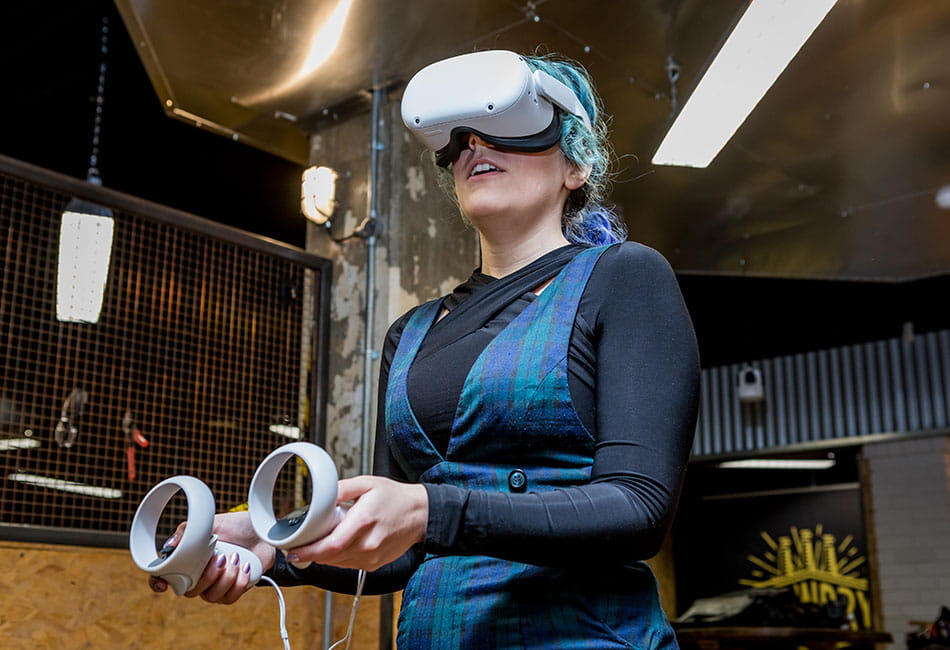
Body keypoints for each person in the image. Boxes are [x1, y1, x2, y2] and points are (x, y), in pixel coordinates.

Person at [151, 51, 700, 649]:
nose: (475, 144)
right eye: (460, 138)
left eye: (507, 127)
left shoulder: (624, 278)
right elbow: (399, 557)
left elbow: (638, 509)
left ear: (576, 165)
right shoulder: (409, 334)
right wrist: (274, 544)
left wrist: (429, 512)